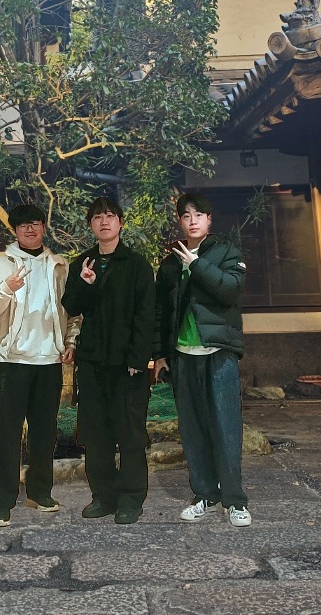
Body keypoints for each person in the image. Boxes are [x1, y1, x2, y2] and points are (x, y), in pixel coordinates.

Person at [0, 204, 78, 527]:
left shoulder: (59, 266)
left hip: (49, 360)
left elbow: (73, 311)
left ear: (43, 227)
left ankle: (40, 492)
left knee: (45, 432)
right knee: (6, 433)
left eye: (35, 224)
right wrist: (6, 288)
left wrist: (70, 342)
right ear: (14, 231)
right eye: (23, 226)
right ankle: (1, 502)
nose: (30, 230)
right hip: (12, 360)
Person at [152, 192, 252, 527]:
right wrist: (159, 355)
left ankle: (235, 500)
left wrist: (196, 265)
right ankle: (205, 494)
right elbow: (161, 312)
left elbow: (230, 289)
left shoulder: (226, 252)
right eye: (186, 215)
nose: (192, 220)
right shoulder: (169, 263)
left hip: (218, 352)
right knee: (192, 429)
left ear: (209, 219)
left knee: (226, 426)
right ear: (180, 221)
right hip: (182, 356)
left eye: (198, 215)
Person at [61, 197, 156, 524]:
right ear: (90, 224)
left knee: (130, 434)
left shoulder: (137, 265)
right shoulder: (82, 263)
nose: (104, 222)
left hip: (127, 364)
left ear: (120, 223)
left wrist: (138, 358)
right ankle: (102, 496)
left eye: (110, 216)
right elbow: (72, 305)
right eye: (98, 217)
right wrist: (87, 285)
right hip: (91, 362)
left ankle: (130, 498)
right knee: (95, 434)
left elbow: (146, 314)